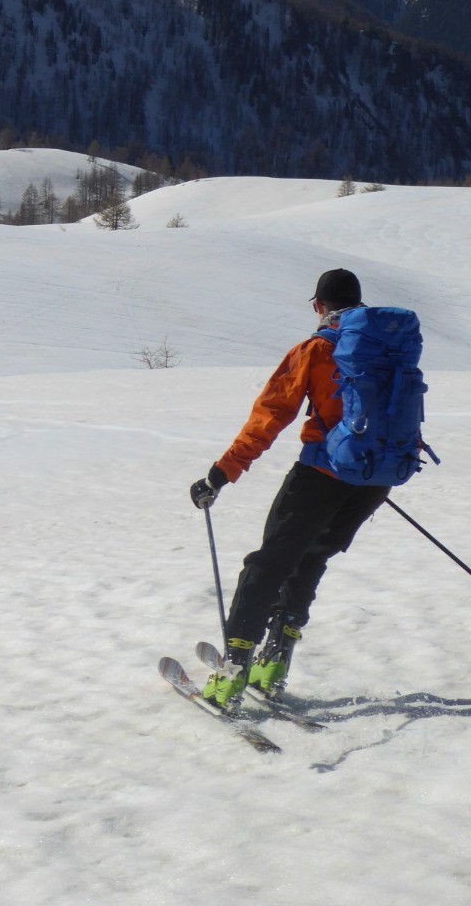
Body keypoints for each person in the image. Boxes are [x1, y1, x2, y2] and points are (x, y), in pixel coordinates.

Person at [189, 267, 391, 708]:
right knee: (312, 558)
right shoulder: (390, 346)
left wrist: (221, 474)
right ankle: (275, 662)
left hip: (321, 476)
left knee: (268, 565)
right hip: (377, 479)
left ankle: (232, 675)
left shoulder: (316, 349)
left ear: (319, 306)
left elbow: (269, 418)